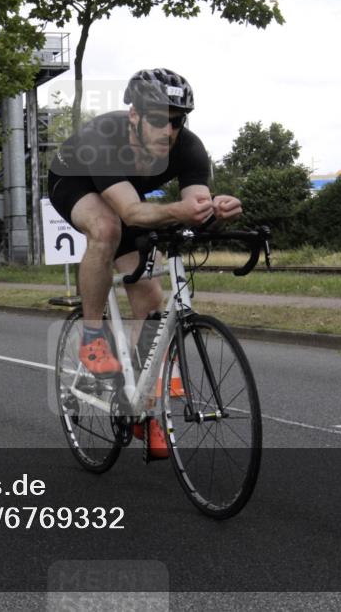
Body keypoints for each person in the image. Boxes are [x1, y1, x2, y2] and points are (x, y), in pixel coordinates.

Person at [48, 68, 243, 456]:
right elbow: (132, 213)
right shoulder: (104, 139)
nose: (168, 130)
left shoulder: (189, 147)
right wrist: (179, 210)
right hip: (76, 180)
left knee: (151, 298)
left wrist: (215, 211)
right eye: (157, 119)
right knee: (106, 229)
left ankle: (141, 403)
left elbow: (195, 207)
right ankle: (92, 339)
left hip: (125, 194)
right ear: (134, 116)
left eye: (176, 120)